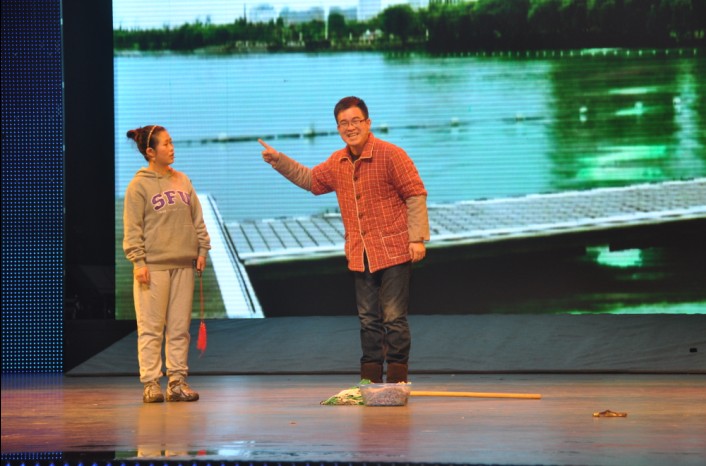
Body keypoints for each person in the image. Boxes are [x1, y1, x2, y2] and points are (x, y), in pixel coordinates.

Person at [259, 96, 429, 383]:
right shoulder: (338, 161)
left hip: (394, 250)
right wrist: (279, 161)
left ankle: (397, 380)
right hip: (360, 253)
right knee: (368, 320)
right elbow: (311, 180)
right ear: (338, 128)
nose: (350, 128)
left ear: (368, 123)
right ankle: (370, 381)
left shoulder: (391, 154)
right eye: (343, 123)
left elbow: (415, 194)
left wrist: (417, 239)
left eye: (355, 121)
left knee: (394, 318)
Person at [123, 125, 211, 403]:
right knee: (151, 328)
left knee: (179, 329)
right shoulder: (139, 185)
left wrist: (202, 249)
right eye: (166, 144)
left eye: (172, 143)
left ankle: (176, 382)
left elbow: (197, 219)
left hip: (183, 264)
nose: (172, 148)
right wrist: (139, 262)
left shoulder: (182, 180)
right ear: (151, 152)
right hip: (153, 267)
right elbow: (133, 228)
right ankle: (151, 383)